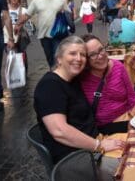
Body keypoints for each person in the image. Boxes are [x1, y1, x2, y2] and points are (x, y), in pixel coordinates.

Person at [34, 36, 124, 179]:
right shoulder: (50, 85)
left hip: (91, 147)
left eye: (82, 55)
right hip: (75, 159)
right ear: (59, 59)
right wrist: (98, 145)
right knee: (131, 165)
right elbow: (59, 131)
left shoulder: (73, 80)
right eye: (72, 53)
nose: (79, 58)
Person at [79, 34, 135, 134]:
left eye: (101, 49)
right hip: (102, 129)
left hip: (126, 119)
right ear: (86, 60)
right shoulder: (81, 77)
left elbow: (132, 97)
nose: (100, 56)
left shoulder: (118, 67)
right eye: (93, 54)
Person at [16, 0, 70, 68]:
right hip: (43, 35)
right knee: (49, 57)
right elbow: (27, 15)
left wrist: (64, 14)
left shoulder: (60, 0)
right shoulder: (36, 1)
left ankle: (56, 75)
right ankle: (53, 71)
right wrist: (18, 25)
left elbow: (69, 15)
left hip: (58, 34)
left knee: (56, 56)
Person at [5, 0, 30, 69]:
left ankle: (23, 73)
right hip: (7, 36)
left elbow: (28, 22)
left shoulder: (23, 10)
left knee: (22, 55)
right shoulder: (5, 9)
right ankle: (13, 73)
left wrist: (20, 25)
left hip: (20, 36)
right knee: (11, 55)